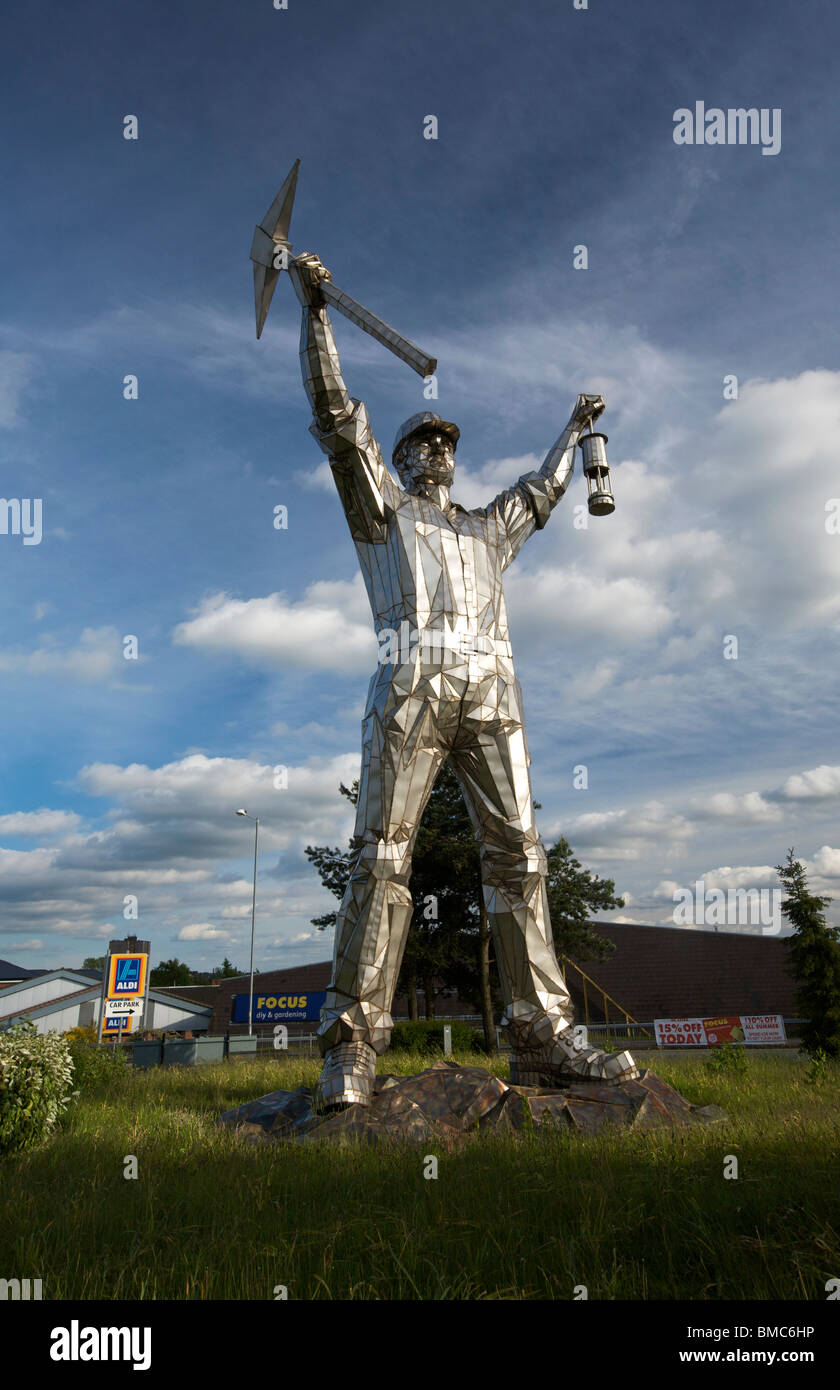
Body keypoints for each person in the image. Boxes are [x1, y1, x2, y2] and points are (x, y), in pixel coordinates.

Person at [289, 252, 637, 1108]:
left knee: (519, 856)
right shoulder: (383, 513)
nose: (436, 452)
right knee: (381, 855)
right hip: (409, 686)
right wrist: (317, 315)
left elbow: (542, 494)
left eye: (445, 443)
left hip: (493, 695)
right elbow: (337, 419)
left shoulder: (487, 532)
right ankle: (352, 1043)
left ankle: (544, 1033)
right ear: (403, 460)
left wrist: (574, 426)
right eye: (422, 444)